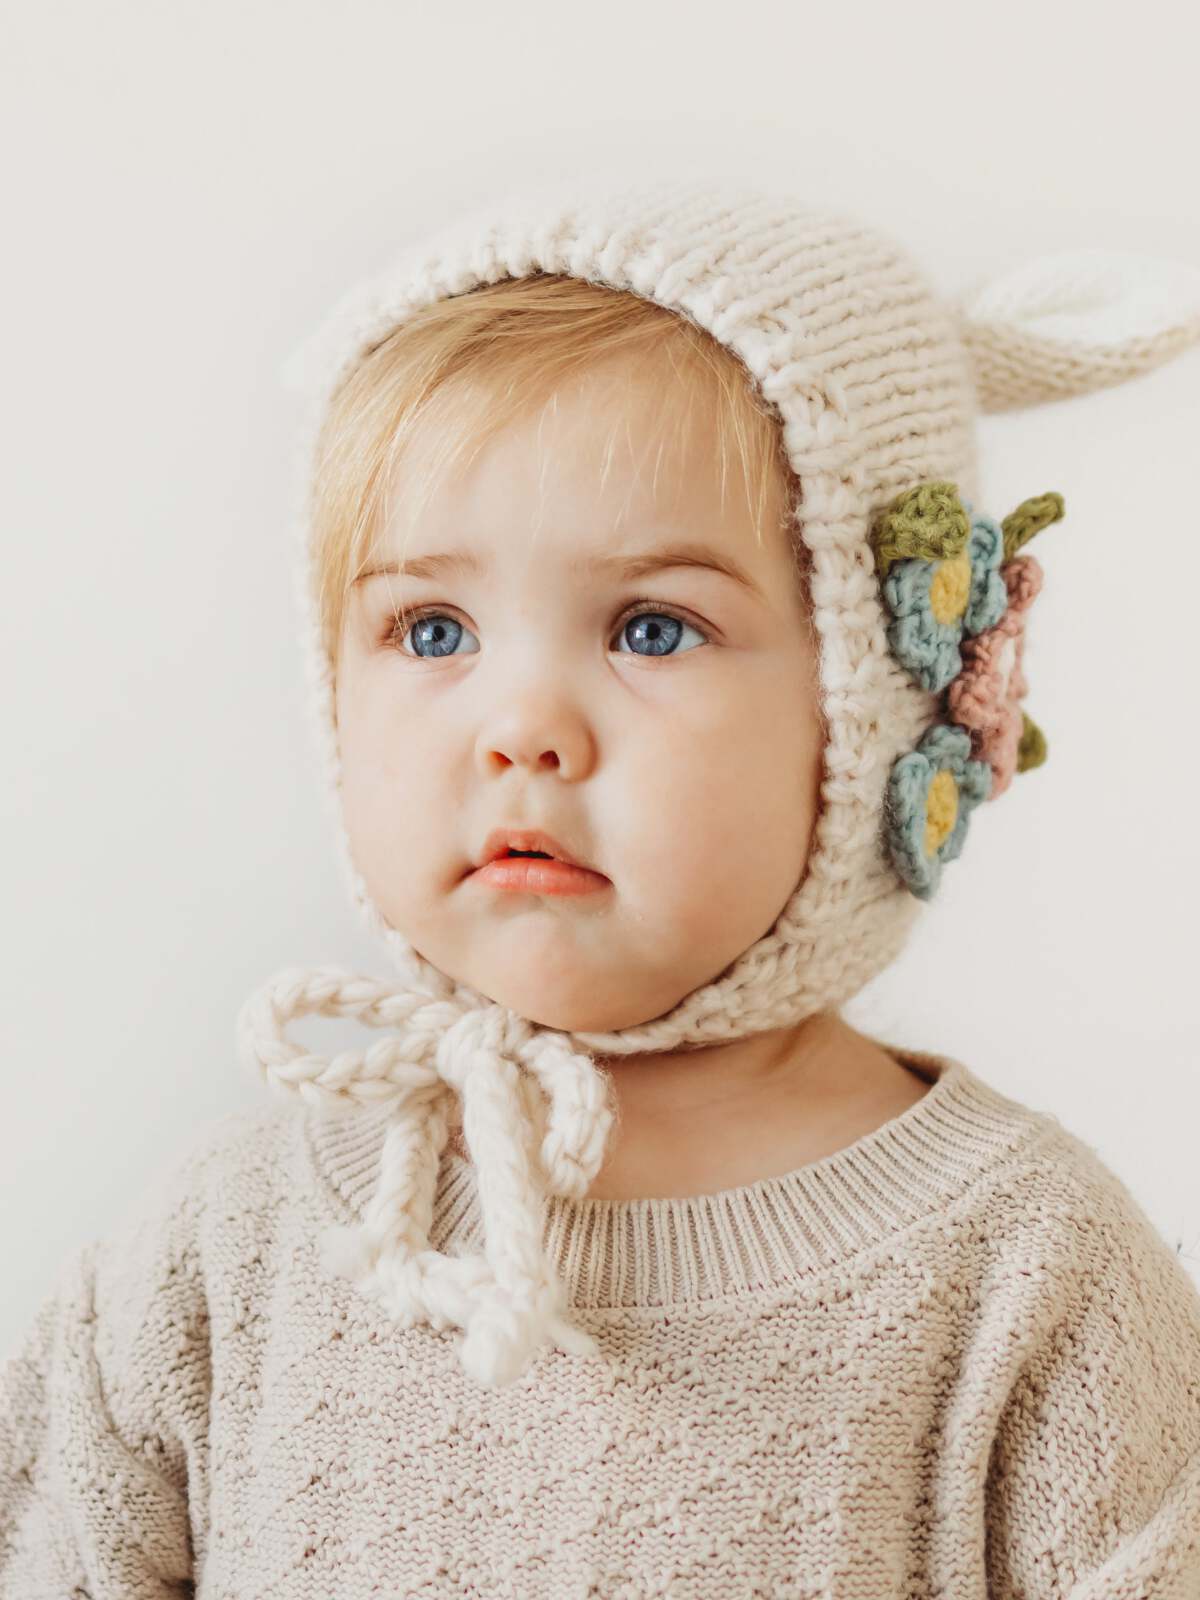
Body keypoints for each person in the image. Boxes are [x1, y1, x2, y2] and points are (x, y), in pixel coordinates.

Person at [4, 173, 1199, 1597]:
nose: (522, 726)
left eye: (653, 625)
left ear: (873, 696)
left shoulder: (1027, 1277)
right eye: (431, 626)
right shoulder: (224, 1252)